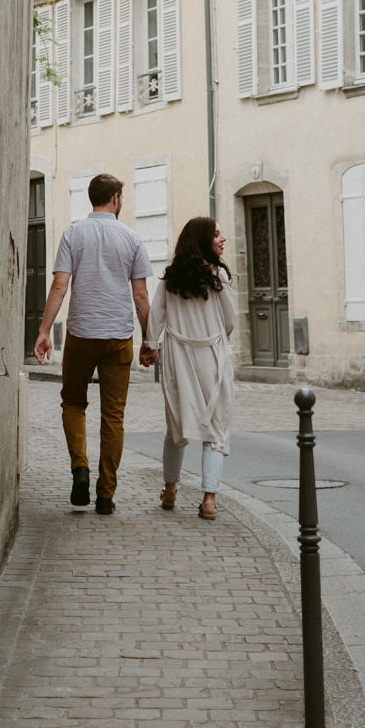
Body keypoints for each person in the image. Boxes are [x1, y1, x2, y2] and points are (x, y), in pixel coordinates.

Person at [32, 173, 153, 516]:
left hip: (81, 333)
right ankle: (105, 495)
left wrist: (44, 331)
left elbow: (59, 286)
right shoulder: (132, 238)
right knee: (113, 415)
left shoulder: (73, 234)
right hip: (118, 336)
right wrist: (150, 339)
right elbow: (141, 295)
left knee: (73, 402)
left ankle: (80, 469)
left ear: (92, 199)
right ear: (115, 198)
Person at [144, 216, 236, 520]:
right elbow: (230, 321)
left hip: (178, 357)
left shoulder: (171, 278)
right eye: (217, 235)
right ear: (202, 241)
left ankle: (170, 489)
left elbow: (156, 316)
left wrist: (151, 345)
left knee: (176, 424)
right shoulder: (217, 277)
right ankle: (209, 499)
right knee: (215, 426)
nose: (223, 239)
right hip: (211, 355)